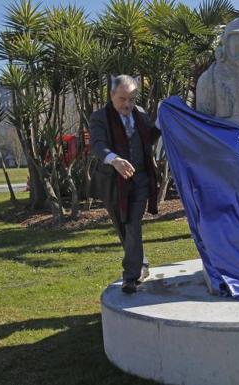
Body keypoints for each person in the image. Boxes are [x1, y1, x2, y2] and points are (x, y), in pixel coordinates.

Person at [89, 75, 159, 294]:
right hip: (113, 183)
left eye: (131, 98)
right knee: (123, 227)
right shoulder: (99, 117)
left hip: (139, 180)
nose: (127, 104)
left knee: (132, 225)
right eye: (122, 99)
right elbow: (98, 145)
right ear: (111, 96)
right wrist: (115, 160)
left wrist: (162, 120)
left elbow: (150, 137)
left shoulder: (141, 115)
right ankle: (142, 263)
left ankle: (131, 276)